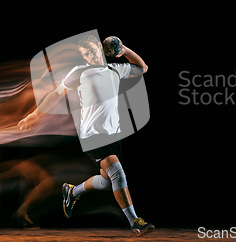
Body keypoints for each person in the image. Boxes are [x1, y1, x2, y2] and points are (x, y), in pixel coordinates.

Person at [18, 35, 154, 237]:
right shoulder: (79, 72)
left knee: (109, 181)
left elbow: (143, 68)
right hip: (92, 134)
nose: (89, 56)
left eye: (91, 51)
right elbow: (55, 94)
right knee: (118, 173)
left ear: (100, 47)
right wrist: (34, 115)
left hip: (113, 134)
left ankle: (73, 191)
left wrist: (124, 50)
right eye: (85, 54)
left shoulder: (115, 69)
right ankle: (136, 221)